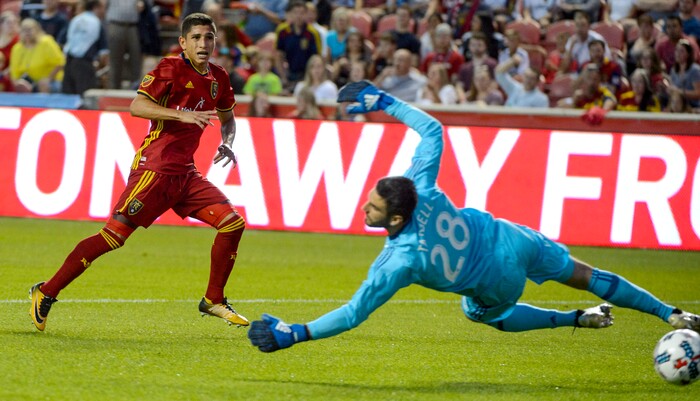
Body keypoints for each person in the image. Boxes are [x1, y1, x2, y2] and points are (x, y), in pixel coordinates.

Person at [247, 79, 700, 353]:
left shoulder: (399, 262)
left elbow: (352, 314)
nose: (364, 208)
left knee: (478, 313)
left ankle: (575, 320)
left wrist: (296, 334)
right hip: (512, 237)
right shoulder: (419, 187)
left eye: (374, 208)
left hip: (497, 283)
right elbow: (432, 128)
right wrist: (382, 101)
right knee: (585, 272)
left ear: (397, 220)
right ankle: (670, 312)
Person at [29, 13, 249, 332]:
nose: (204, 43)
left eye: (209, 37)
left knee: (232, 224)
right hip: (155, 169)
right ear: (183, 43)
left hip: (185, 175)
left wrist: (228, 142)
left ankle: (213, 299)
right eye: (197, 38)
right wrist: (181, 117)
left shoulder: (219, 77)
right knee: (113, 237)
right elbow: (137, 106)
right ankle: (45, 292)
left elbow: (228, 117)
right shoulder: (169, 68)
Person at [61, 0, 109, 96]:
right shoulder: (96, 22)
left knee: (68, 97)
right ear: (96, 7)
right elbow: (103, 52)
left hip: (68, 63)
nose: (104, 11)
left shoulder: (75, 19)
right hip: (84, 64)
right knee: (85, 97)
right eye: (103, 8)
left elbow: (62, 40)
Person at [9, 18, 64, 93]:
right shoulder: (17, 48)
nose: (27, 32)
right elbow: (14, 73)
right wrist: (19, 84)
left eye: (29, 29)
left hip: (51, 80)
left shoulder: (46, 42)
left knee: (43, 85)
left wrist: (48, 79)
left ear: (37, 30)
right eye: (24, 30)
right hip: (28, 83)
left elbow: (60, 63)